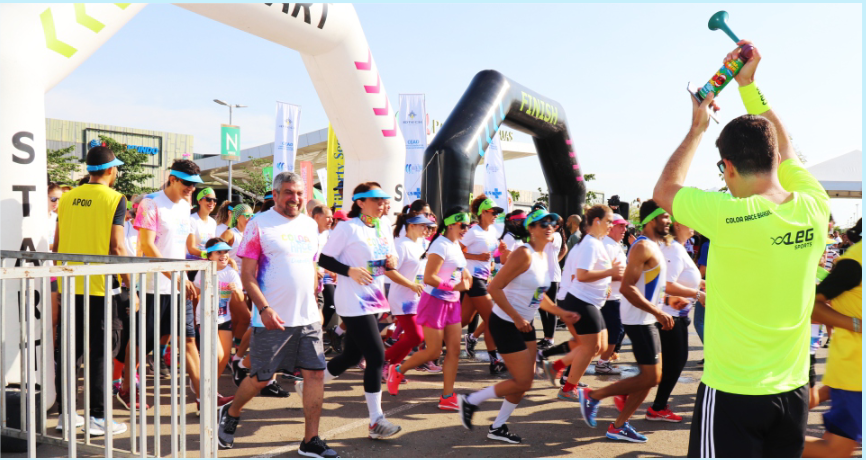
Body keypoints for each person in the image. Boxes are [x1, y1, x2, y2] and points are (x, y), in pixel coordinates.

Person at [652, 41, 830, 457]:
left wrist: (697, 128)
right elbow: (785, 146)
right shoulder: (815, 204)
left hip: (734, 392)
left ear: (729, 167)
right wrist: (750, 86)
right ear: (773, 159)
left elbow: (664, 190)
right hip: (793, 392)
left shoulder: (726, 214)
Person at [217, 172, 336, 457]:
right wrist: (264, 309)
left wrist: (316, 305)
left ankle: (310, 440)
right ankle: (231, 411)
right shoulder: (260, 224)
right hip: (271, 317)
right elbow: (247, 274)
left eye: (298, 193)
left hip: (307, 317)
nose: (294, 198)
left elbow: (309, 265)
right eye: (288, 192)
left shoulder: (310, 225)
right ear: (275, 194)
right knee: (260, 378)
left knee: (316, 375)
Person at [457, 209, 578, 444]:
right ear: (531, 229)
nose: (549, 226)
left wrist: (561, 312)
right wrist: (516, 318)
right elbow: (494, 288)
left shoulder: (544, 257)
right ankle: (471, 401)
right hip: (506, 323)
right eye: (543, 223)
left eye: (552, 222)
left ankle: (498, 426)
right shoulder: (524, 253)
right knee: (523, 380)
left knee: (527, 380)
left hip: (525, 324)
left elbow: (539, 295)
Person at [576, 200, 684, 443]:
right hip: (639, 320)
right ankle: (594, 395)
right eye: (665, 217)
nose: (669, 222)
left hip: (647, 318)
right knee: (651, 377)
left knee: (650, 377)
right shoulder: (642, 247)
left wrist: (669, 300)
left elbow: (651, 287)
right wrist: (657, 312)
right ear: (651, 220)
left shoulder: (656, 247)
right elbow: (627, 288)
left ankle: (619, 425)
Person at [313, 182, 403, 439]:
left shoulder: (383, 226)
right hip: (353, 301)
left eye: (384, 199)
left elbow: (390, 258)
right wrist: (349, 271)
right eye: (377, 199)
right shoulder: (347, 227)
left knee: (352, 356)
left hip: (374, 299)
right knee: (376, 356)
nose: (382, 203)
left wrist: (392, 260)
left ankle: (307, 384)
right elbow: (324, 259)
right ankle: (376, 421)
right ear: (361, 201)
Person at [53, 146, 130, 435]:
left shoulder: (68, 196)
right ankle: (97, 418)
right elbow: (118, 246)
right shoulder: (115, 198)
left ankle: (67, 415)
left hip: (70, 283)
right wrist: (128, 283)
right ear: (111, 170)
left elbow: (57, 244)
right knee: (99, 353)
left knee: (70, 352)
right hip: (100, 287)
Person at [122, 159, 202, 410]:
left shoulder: (185, 205)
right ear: (173, 179)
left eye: (195, 185)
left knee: (189, 341)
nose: (192, 188)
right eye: (187, 183)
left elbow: (183, 248)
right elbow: (147, 245)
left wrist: (190, 272)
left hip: (178, 286)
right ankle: (125, 389)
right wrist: (178, 277)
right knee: (140, 344)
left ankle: (205, 397)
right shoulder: (150, 203)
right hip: (152, 287)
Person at [385, 206, 472, 411]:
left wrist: (466, 274)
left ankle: (447, 396)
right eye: (463, 225)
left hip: (452, 303)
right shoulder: (440, 245)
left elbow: (459, 267)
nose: (466, 229)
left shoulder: (455, 243)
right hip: (434, 302)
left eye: (468, 225)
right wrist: (453, 286)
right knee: (433, 351)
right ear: (451, 223)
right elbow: (429, 277)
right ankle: (398, 369)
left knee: (454, 351)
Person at [544, 205, 620, 400]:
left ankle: (557, 367)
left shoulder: (595, 242)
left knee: (600, 347)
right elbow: (582, 275)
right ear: (597, 221)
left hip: (589, 301)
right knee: (589, 347)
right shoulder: (590, 244)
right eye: (609, 221)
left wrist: (605, 283)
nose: (611, 225)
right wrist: (610, 273)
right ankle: (568, 387)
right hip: (580, 301)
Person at [804, 239, 861, 457]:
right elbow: (810, 307)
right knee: (836, 451)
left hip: (851, 375)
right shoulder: (855, 262)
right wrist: (858, 324)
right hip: (855, 373)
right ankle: (757, 441)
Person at [648, 216, 704, 421]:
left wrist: (699, 285)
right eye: (691, 221)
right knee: (674, 363)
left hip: (676, 315)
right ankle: (656, 407)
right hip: (669, 316)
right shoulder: (672, 248)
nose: (695, 226)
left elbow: (680, 279)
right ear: (677, 224)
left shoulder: (678, 247)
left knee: (668, 365)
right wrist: (697, 294)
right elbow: (667, 284)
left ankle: (639, 398)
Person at [383, 213, 434, 387]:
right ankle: (382, 361)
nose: (426, 229)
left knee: (413, 338)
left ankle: (392, 368)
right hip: (402, 298)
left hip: (417, 298)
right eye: (422, 225)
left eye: (428, 226)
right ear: (411, 225)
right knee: (416, 336)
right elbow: (389, 271)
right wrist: (411, 285)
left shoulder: (422, 244)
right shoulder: (400, 245)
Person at [193, 238, 240, 414]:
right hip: (206, 319)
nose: (223, 255)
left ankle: (207, 391)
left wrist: (236, 291)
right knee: (218, 355)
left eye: (226, 252)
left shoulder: (231, 273)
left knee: (224, 357)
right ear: (209, 256)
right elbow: (196, 293)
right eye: (219, 252)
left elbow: (241, 299)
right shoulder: (203, 272)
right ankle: (205, 396)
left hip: (224, 319)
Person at [460, 196, 506, 374]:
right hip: (473, 279)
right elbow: (457, 250)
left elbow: (490, 254)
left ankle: (432, 344)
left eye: (497, 213)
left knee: (463, 320)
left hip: (484, 279)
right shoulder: (473, 231)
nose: (496, 215)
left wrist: (497, 255)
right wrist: (477, 258)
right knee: (492, 318)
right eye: (493, 212)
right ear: (483, 213)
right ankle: (494, 360)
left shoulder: (492, 232)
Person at [595, 213, 629, 374]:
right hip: (608, 298)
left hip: (615, 297)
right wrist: (626, 276)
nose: (624, 229)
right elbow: (602, 272)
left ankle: (605, 359)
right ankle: (602, 362)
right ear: (610, 227)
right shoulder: (607, 245)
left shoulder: (615, 244)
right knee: (613, 332)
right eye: (620, 225)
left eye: (625, 226)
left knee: (612, 333)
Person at [187, 187, 218, 260]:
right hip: (191, 265)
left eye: (214, 200)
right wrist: (206, 255)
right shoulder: (191, 220)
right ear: (199, 201)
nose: (212, 203)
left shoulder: (212, 222)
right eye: (208, 199)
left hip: (207, 264)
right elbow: (191, 248)